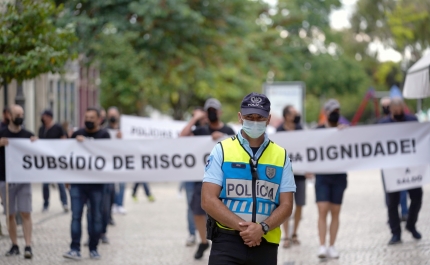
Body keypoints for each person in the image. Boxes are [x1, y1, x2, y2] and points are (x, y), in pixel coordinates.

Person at [201, 92, 295, 265]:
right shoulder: (222, 150)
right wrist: (246, 228)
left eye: (259, 117)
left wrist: (262, 228)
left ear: (268, 119)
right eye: (249, 116)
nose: (254, 121)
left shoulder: (281, 156)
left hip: (265, 242)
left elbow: (287, 205)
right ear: (240, 117)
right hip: (227, 241)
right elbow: (207, 200)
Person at [180, 98, 235, 259]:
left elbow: (239, 146)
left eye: (214, 110)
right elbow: (182, 136)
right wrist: (196, 118)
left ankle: (224, 241)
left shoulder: (228, 130)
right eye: (208, 110)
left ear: (220, 112)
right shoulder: (201, 130)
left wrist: (224, 136)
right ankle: (203, 241)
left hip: (225, 180)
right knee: (197, 211)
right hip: (202, 179)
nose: (212, 113)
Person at [63, 107, 110, 260]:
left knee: (96, 217)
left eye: (92, 117)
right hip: (78, 183)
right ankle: (74, 248)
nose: (89, 120)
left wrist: (88, 143)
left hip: (97, 184)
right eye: (87, 117)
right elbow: (68, 156)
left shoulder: (104, 135)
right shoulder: (77, 134)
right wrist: (67, 177)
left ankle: (93, 247)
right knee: (76, 216)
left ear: (98, 120)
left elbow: (107, 153)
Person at [378, 98, 422, 245]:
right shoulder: (383, 125)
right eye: (395, 111)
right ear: (390, 110)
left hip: (411, 167)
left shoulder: (412, 121)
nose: (398, 113)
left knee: (417, 196)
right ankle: (395, 233)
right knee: (392, 202)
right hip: (392, 169)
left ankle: (411, 224)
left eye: (400, 111)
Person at [0, 104, 36, 259]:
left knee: (26, 212)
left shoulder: (28, 135)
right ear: (9, 115)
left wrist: (37, 144)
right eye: (17, 114)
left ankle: (28, 245)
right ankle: (14, 244)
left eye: (22, 113)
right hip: (5, 179)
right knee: (10, 214)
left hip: (23, 179)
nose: (20, 117)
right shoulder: (1, 134)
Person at [315, 99, 347, 259]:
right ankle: (322, 245)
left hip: (339, 176)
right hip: (322, 176)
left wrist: (345, 133)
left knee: (335, 211)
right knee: (322, 209)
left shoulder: (344, 131)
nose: (335, 113)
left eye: (337, 110)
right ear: (326, 113)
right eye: (333, 110)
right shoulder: (317, 131)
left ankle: (332, 245)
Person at [276, 105, 308, 248]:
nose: (297, 115)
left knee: (299, 204)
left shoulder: (301, 129)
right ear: (287, 116)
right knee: (285, 205)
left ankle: (295, 233)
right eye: (294, 113)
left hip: (300, 175)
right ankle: (287, 236)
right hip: (284, 175)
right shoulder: (279, 131)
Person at [181, 107, 208, 247]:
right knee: (191, 205)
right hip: (192, 176)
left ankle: (206, 234)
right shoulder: (194, 132)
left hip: (208, 176)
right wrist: (195, 119)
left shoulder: (209, 129)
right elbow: (182, 135)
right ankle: (192, 234)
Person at [378, 97, 409, 221]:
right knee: (390, 191)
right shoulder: (381, 123)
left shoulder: (409, 120)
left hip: (404, 162)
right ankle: (393, 216)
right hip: (388, 164)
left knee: (403, 188)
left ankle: (405, 213)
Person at [38, 109, 69, 213]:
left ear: (49, 117)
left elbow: (64, 140)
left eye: (44, 116)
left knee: (60, 182)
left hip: (57, 160)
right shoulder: (41, 129)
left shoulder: (58, 127)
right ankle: (46, 204)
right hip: (46, 161)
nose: (42, 118)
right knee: (45, 184)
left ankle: (64, 203)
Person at [106, 107, 126, 215]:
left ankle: (120, 204)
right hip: (109, 161)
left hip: (121, 160)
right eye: (110, 114)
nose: (112, 117)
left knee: (122, 183)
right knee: (111, 184)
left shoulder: (124, 130)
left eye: (114, 114)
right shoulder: (105, 130)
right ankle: (113, 203)